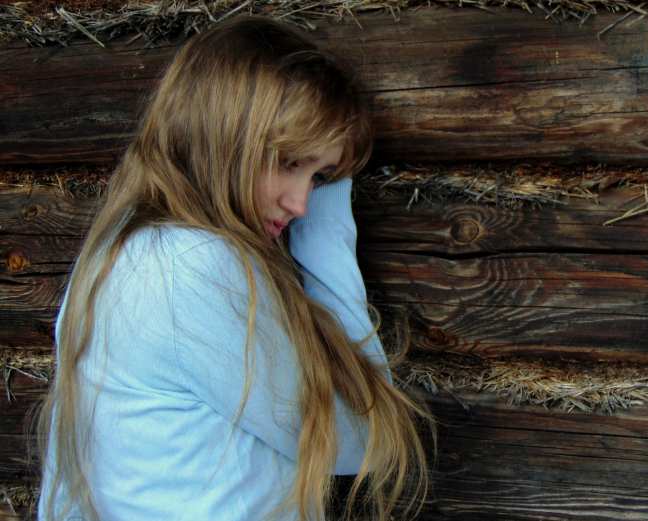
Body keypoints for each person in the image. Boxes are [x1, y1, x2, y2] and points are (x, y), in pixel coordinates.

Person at [33, 15, 435, 521]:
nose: (300, 203)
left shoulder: (126, 247)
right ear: (222, 136)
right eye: (289, 162)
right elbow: (358, 435)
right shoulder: (193, 266)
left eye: (323, 177)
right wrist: (327, 235)